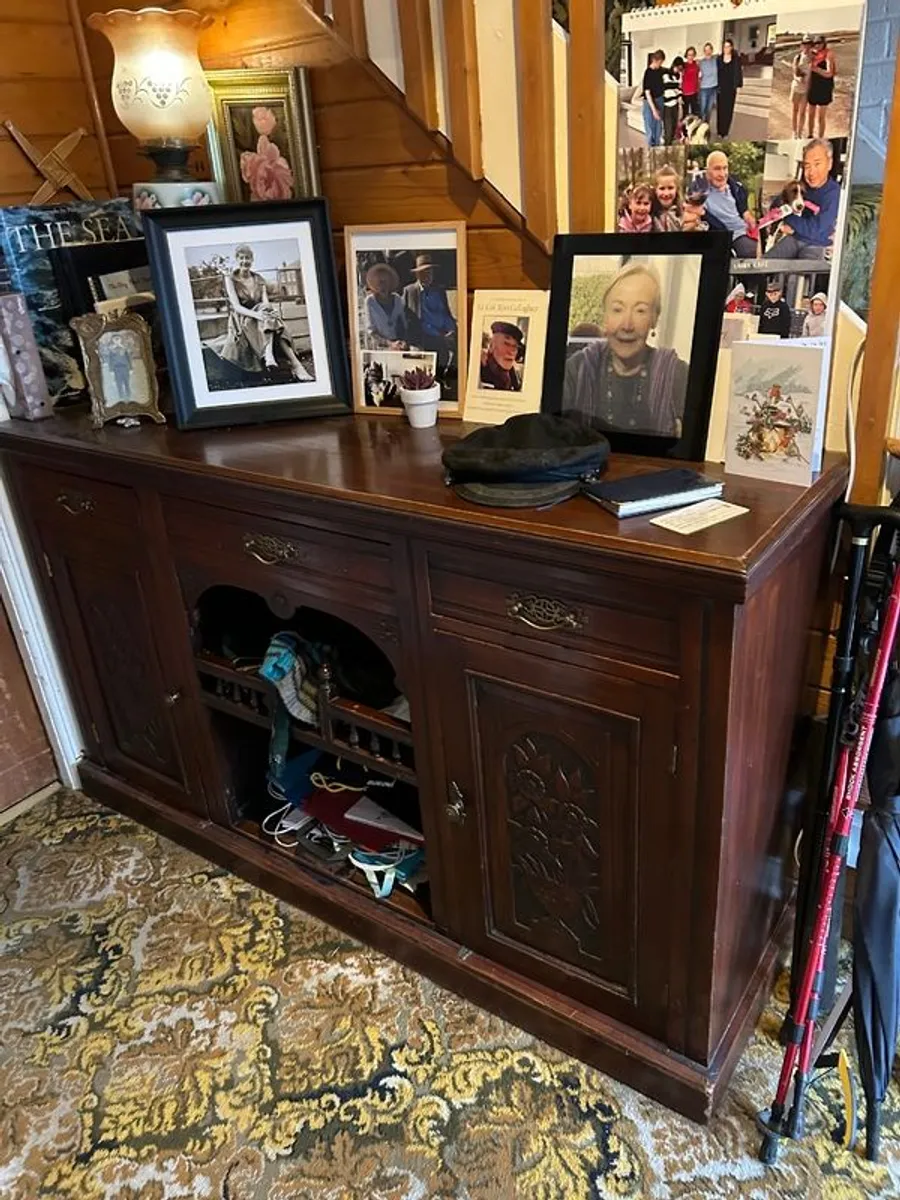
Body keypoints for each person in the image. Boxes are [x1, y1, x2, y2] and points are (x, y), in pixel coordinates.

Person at [562, 262, 688, 436]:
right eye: (617, 309)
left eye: (640, 310)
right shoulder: (577, 370)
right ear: (605, 317)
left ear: (654, 318)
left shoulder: (677, 374)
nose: (627, 325)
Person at [218, 244, 311, 382]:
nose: (245, 261)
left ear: (252, 259)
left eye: (248, 258)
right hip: (243, 317)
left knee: (268, 312)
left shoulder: (258, 278)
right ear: (237, 260)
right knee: (268, 317)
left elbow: (265, 302)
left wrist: (269, 312)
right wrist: (257, 315)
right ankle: (295, 365)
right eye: (242, 258)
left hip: (262, 315)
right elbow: (236, 307)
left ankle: (270, 357)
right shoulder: (230, 278)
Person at [767, 138, 840, 259]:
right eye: (807, 166)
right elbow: (776, 205)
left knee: (800, 273)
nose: (811, 172)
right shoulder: (800, 186)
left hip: (816, 245)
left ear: (829, 164)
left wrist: (790, 222)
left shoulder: (834, 193)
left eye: (817, 164)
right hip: (793, 239)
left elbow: (815, 230)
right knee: (764, 264)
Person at [402, 254, 457, 365]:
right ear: (417, 274)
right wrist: (439, 336)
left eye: (430, 272)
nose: (428, 275)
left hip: (442, 336)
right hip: (422, 339)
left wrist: (451, 329)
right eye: (424, 272)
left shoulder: (438, 291)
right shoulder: (410, 291)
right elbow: (408, 319)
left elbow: (445, 314)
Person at [703, 150, 757, 256]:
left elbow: (745, 212)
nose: (722, 174)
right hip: (731, 237)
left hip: (748, 232)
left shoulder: (735, 188)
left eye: (725, 168)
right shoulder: (700, 194)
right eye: (717, 169)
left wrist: (749, 217)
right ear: (707, 171)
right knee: (754, 252)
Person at [363, 262, 409, 349]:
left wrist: (402, 342)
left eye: (385, 281)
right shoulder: (370, 301)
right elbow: (371, 331)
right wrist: (390, 344)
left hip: (399, 345)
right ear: (375, 284)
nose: (382, 285)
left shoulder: (397, 299)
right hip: (380, 347)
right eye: (379, 282)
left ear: (390, 282)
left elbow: (403, 324)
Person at [480, 321, 524, 391]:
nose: (511, 352)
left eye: (515, 346)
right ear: (491, 346)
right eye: (506, 344)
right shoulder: (479, 371)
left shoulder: (515, 376)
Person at [806, 35, 836, 138]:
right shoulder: (814, 54)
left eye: (819, 43)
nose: (817, 45)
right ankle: (810, 135)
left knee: (821, 117)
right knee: (810, 114)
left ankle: (820, 137)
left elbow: (829, 73)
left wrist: (815, 69)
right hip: (813, 86)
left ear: (824, 43)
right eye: (815, 43)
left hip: (824, 87)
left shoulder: (828, 54)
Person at [716, 38, 744, 139]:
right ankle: (719, 130)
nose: (726, 49)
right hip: (721, 88)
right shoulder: (719, 59)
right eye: (724, 47)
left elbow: (739, 72)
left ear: (731, 47)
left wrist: (738, 84)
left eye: (728, 46)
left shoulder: (736, 59)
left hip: (731, 88)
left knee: (728, 110)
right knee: (720, 110)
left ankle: (725, 132)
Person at [788, 35, 813, 139]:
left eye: (809, 45)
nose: (807, 47)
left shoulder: (813, 57)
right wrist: (799, 79)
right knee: (795, 110)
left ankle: (799, 132)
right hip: (796, 87)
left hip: (806, 89)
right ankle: (794, 132)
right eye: (805, 44)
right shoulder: (797, 57)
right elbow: (794, 72)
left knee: (803, 113)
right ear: (801, 46)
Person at [641, 50, 665, 147]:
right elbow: (647, 93)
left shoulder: (660, 70)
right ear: (655, 60)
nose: (660, 64)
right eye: (660, 62)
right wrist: (654, 110)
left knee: (658, 129)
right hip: (649, 103)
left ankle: (657, 147)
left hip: (660, 100)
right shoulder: (648, 73)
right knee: (650, 129)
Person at [661, 55, 684, 145]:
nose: (678, 70)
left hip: (675, 105)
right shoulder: (665, 75)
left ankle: (669, 147)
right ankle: (666, 147)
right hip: (667, 106)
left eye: (680, 68)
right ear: (674, 65)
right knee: (668, 129)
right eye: (678, 67)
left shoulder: (678, 76)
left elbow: (679, 89)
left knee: (674, 128)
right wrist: (674, 89)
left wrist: (680, 96)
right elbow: (665, 89)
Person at [652, 165, 682, 231]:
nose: (666, 193)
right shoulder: (650, 215)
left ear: (676, 189)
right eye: (662, 188)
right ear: (655, 190)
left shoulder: (684, 213)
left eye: (670, 188)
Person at [699, 42, 718, 121]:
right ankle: (699, 126)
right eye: (706, 50)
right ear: (704, 51)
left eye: (709, 49)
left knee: (709, 110)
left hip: (713, 88)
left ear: (712, 50)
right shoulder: (701, 62)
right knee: (702, 109)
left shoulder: (716, 61)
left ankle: (706, 126)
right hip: (704, 88)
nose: (708, 51)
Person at [681, 46, 700, 117]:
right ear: (686, 55)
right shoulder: (683, 65)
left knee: (695, 112)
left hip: (694, 92)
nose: (690, 56)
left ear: (694, 55)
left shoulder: (697, 64)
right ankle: (684, 128)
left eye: (692, 54)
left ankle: (693, 127)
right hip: (685, 92)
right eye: (689, 55)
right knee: (685, 113)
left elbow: (699, 76)